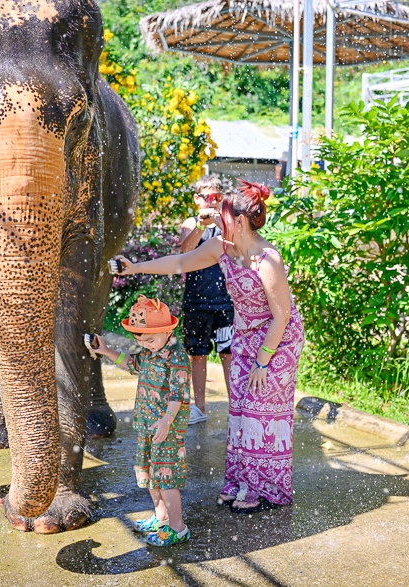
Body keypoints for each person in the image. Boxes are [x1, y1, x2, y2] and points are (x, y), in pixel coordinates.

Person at [112, 180, 304, 514]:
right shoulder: (221, 247)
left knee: (261, 411)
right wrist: (136, 267)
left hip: (278, 341)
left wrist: (262, 362)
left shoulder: (267, 260)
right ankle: (242, 481)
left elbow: (282, 316)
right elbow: (180, 263)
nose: (217, 219)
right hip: (247, 336)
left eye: (222, 216)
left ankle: (266, 489)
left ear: (239, 222)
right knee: (240, 411)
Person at [89, 296, 191, 546]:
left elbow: (178, 394)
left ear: (168, 331)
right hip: (147, 424)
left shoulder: (176, 356)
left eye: (150, 340)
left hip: (166, 428)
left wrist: (166, 421)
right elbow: (132, 364)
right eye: (140, 340)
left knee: (165, 478)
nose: (145, 345)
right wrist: (106, 351)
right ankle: (161, 517)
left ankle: (178, 527)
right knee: (149, 473)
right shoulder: (149, 351)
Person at [177, 174, 233, 423]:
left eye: (216, 197)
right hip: (196, 300)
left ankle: (236, 406)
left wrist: (219, 221)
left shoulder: (227, 222)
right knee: (197, 354)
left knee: (228, 353)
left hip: (226, 300)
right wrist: (201, 225)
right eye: (207, 197)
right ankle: (199, 407)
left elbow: (238, 245)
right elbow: (185, 252)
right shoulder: (190, 223)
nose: (211, 202)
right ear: (196, 199)